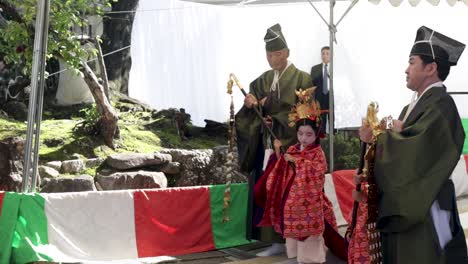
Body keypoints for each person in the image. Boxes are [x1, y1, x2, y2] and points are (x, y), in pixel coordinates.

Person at [358, 26, 467, 264]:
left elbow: (413, 150)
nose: (406, 70)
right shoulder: (414, 105)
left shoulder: (442, 105)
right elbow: (400, 128)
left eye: (412, 63)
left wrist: (377, 135)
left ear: (431, 68)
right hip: (412, 199)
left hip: (427, 202)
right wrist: (378, 126)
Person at [235, 23, 313, 256]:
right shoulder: (262, 80)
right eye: (269, 54)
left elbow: (306, 115)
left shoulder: (303, 79)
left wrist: (276, 121)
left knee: (289, 193)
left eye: (277, 54)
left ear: (287, 53)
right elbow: (252, 111)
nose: (272, 59)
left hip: (290, 147)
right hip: (266, 147)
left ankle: (295, 240)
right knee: (268, 190)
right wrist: (252, 105)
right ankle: (273, 241)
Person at [257, 89, 338, 264]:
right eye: (300, 133)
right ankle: (296, 259)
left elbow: (318, 173)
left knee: (309, 240)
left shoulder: (318, 153)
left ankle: (312, 260)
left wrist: (298, 162)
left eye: (309, 134)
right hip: (291, 202)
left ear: (317, 134)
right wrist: (279, 152)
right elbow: (282, 167)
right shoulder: (293, 149)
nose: (303, 138)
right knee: (293, 242)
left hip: (309, 203)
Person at [310, 46, 330, 134]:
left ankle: (334, 135)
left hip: (331, 97)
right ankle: (321, 136)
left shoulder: (335, 68)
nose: (325, 56)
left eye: (327, 54)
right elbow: (312, 86)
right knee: (320, 121)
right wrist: (312, 101)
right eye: (323, 54)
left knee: (332, 118)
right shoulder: (315, 69)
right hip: (319, 97)